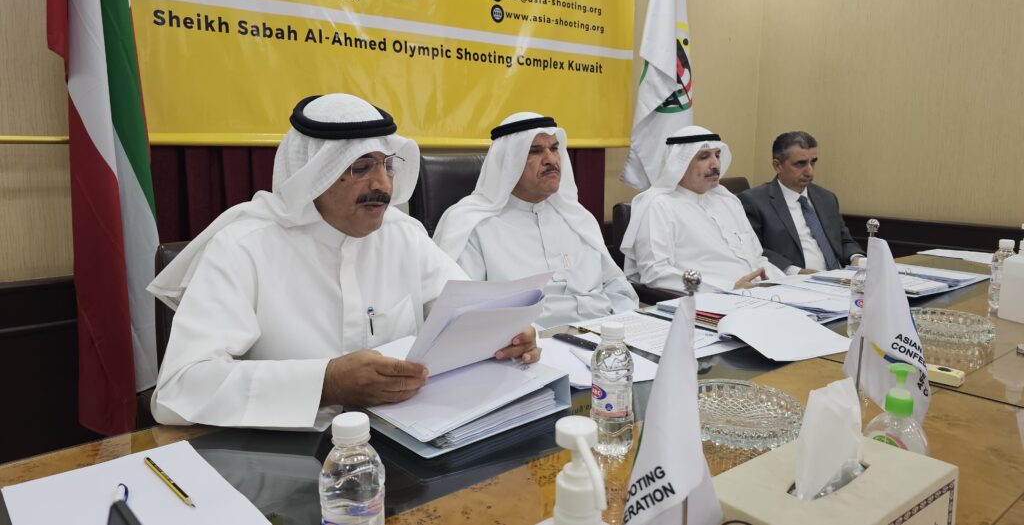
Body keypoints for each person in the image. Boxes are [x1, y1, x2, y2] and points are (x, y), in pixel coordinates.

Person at [147, 94, 539, 430]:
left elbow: (469, 313)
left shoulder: (403, 234)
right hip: (287, 456)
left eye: (387, 165)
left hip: (407, 438)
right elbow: (178, 389)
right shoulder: (243, 248)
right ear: (314, 174)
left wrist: (510, 334)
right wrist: (325, 383)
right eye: (361, 167)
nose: (383, 185)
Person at [432, 112, 638, 328]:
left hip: (602, 334)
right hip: (525, 344)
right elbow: (465, 314)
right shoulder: (471, 225)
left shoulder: (577, 217)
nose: (551, 159)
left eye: (554, 148)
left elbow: (619, 288)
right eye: (535, 151)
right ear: (509, 162)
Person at [621, 125, 785, 292]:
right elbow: (656, 273)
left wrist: (785, 282)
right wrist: (728, 288)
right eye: (704, 157)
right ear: (680, 163)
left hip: (761, 293)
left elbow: (757, 258)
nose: (715, 164)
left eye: (717, 155)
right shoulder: (659, 205)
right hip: (710, 299)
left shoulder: (728, 201)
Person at [738, 131, 864, 274]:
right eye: (800, 164)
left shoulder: (826, 198)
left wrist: (856, 258)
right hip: (793, 280)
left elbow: (844, 240)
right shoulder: (753, 201)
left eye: (813, 162)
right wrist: (795, 272)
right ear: (777, 166)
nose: (809, 172)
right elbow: (754, 250)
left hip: (839, 278)